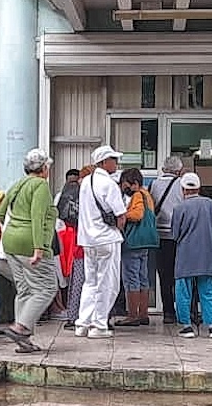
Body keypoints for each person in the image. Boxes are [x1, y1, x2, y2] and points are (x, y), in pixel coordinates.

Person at [0, 149, 59, 353]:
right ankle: (21, 327)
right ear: (43, 168)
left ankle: (23, 342)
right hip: (29, 242)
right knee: (47, 287)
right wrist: (38, 248)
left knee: (24, 289)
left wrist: (12, 229)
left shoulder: (18, 184)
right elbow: (38, 217)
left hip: (10, 243)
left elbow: (2, 210)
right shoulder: (40, 185)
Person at [75, 145, 128, 339]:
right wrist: (118, 229)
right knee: (108, 283)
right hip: (107, 238)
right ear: (104, 162)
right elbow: (121, 215)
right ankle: (98, 325)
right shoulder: (109, 184)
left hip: (88, 240)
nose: (117, 162)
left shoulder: (85, 182)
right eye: (113, 159)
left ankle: (82, 323)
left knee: (90, 282)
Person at [171, 172, 212, 339]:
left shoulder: (179, 208)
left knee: (183, 291)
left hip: (186, 254)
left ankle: (187, 326)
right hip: (208, 253)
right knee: (207, 291)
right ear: (199, 187)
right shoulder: (211, 205)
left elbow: (175, 234)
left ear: (183, 189)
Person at [115, 168, 156, 327]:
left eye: (125, 185)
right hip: (145, 242)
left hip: (133, 243)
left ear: (135, 184)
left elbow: (138, 214)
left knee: (131, 278)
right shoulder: (147, 195)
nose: (123, 188)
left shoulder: (138, 195)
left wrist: (123, 214)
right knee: (142, 278)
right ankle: (143, 313)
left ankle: (132, 315)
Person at [149, 156, 184, 325]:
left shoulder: (154, 184)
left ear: (164, 168)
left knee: (164, 275)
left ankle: (168, 312)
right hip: (179, 235)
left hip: (160, 235)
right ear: (178, 170)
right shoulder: (182, 184)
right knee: (182, 275)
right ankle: (184, 311)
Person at [59, 165, 92, 330]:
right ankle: (86, 316)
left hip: (78, 244)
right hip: (89, 244)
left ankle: (73, 315)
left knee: (77, 281)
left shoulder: (71, 196)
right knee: (90, 282)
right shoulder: (87, 194)